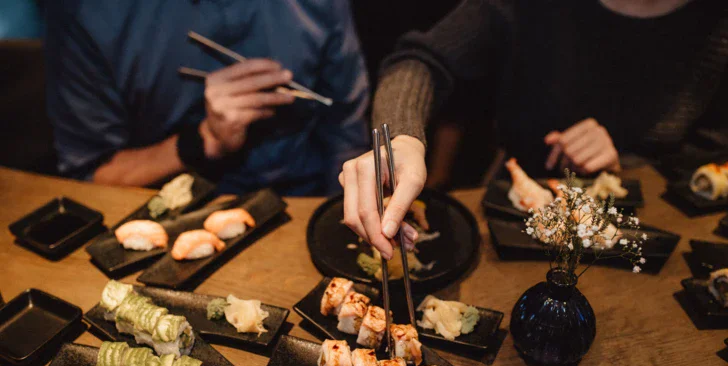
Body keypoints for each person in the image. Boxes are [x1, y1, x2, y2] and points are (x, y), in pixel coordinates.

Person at [341, 0, 728, 259]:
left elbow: (713, 151)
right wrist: (403, 137)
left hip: (654, 236)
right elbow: (420, 59)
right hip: (512, 224)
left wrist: (625, 165)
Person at [45, 0, 369, 196]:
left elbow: (346, 124)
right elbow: (90, 174)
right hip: (175, 217)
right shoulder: (89, 14)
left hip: (309, 195)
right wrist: (204, 140)